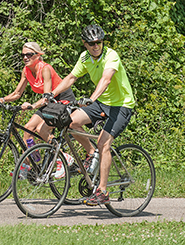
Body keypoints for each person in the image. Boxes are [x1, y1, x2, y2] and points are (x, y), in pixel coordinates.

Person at [47, 24, 135, 205]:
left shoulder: (111, 55)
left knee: (104, 143)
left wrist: (91, 98)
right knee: (70, 122)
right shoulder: (85, 57)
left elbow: (106, 79)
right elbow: (71, 78)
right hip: (103, 103)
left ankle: (102, 191)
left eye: (99, 42)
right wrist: (52, 94)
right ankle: (91, 153)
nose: (96, 46)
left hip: (122, 105)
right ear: (85, 44)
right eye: (92, 43)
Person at [0, 42, 75, 178]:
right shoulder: (26, 71)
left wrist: (32, 105)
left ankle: (64, 157)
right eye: (23, 55)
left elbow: (47, 97)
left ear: (38, 55)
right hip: (49, 102)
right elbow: (17, 94)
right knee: (28, 128)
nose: (25, 57)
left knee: (41, 129)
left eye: (29, 55)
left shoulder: (45, 69)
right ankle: (31, 164)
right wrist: (2, 99)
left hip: (61, 101)